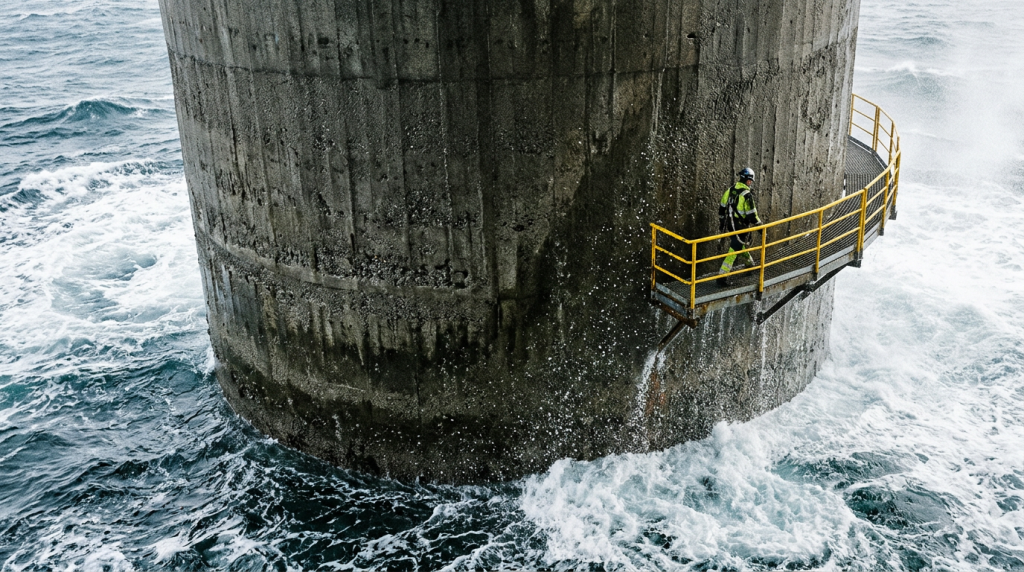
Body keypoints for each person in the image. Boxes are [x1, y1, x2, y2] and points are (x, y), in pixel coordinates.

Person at [716, 168, 763, 287]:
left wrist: (722, 223)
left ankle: (750, 265)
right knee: (733, 250)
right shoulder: (747, 195)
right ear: (748, 181)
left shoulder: (730, 190)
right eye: (750, 181)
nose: (750, 183)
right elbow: (752, 215)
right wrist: (761, 228)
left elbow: (721, 208)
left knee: (738, 246)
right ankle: (722, 277)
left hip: (730, 225)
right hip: (740, 227)